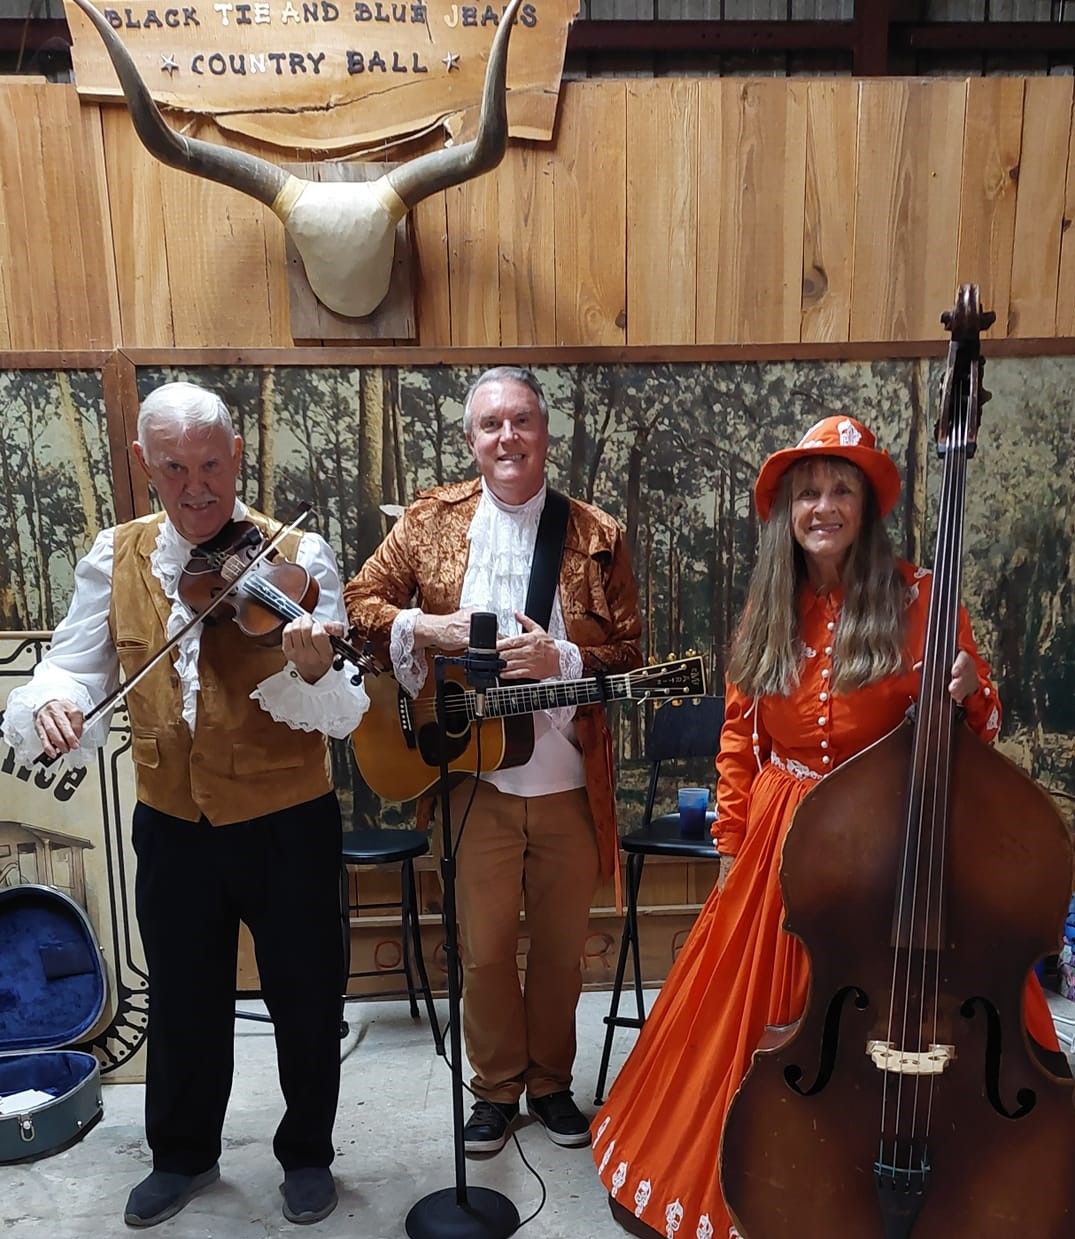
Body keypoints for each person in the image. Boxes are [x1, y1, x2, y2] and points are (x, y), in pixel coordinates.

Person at [589, 414, 1062, 1239]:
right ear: (787, 511)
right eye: (808, 490)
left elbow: (976, 726)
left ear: (865, 504)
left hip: (898, 844)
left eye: (840, 487)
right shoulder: (767, 609)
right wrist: (735, 848)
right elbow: (740, 739)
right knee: (774, 1026)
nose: (823, 504)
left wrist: (967, 691)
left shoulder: (921, 599)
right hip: (786, 839)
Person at [1, 382, 369, 1229]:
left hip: (285, 819)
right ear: (144, 464)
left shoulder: (296, 553)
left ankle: (307, 1153)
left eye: (211, 463)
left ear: (236, 456)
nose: (197, 486)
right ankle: (182, 1156)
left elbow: (339, 705)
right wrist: (54, 699)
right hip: (173, 821)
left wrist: (312, 663)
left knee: (306, 994)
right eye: (174, 467)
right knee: (182, 993)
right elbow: (70, 664)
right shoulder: (116, 554)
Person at [344, 366, 641, 1154]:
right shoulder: (428, 521)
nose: (506, 437)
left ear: (545, 431)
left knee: (557, 952)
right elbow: (357, 604)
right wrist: (429, 631)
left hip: (569, 784)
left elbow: (632, 653)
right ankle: (493, 1088)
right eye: (490, 425)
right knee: (478, 951)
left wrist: (565, 660)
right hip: (469, 780)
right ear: (471, 440)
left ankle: (549, 1085)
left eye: (521, 421)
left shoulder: (597, 535)